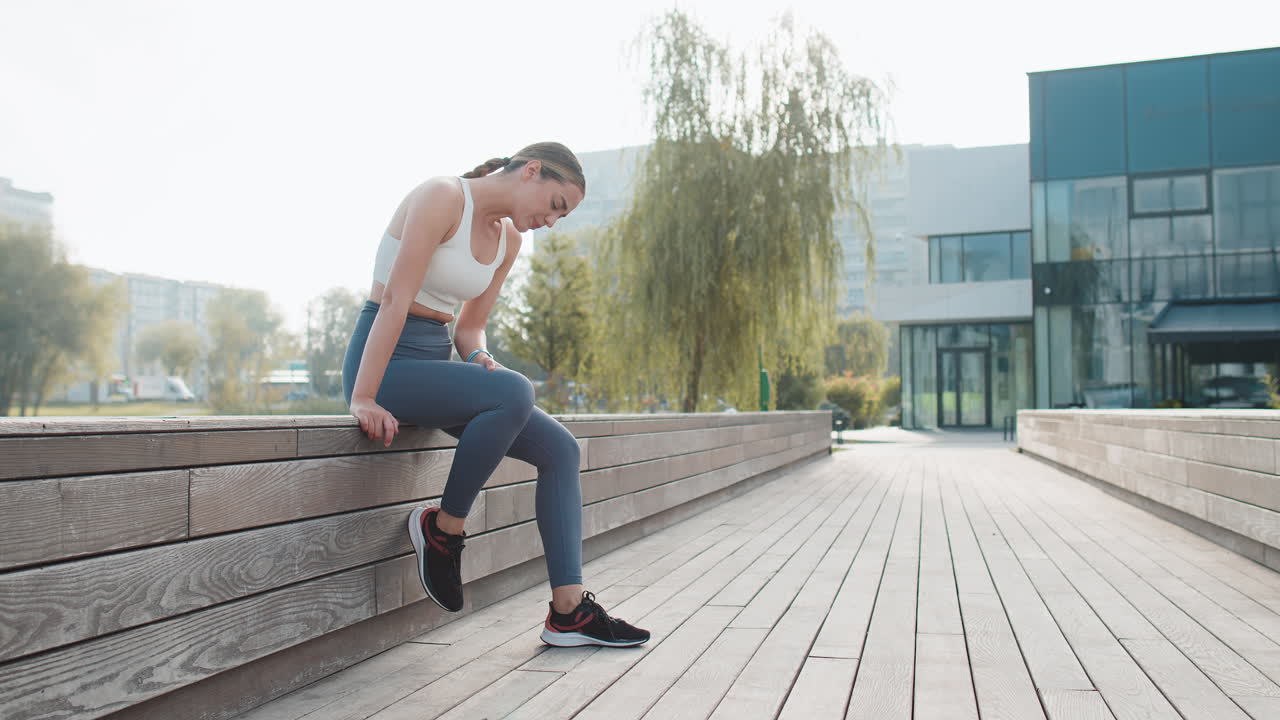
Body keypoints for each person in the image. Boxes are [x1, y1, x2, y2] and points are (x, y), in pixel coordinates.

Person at [342, 142, 649, 648]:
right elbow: (396, 298)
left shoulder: (508, 240)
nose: (552, 221)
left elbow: (471, 328)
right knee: (513, 390)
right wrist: (364, 397)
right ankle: (444, 531)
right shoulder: (443, 196)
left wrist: (481, 359)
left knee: (561, 450)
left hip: (435, 362)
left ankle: (569, 612)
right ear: (532, 171)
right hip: (386, 362)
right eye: (555, 205)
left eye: (562, 217)